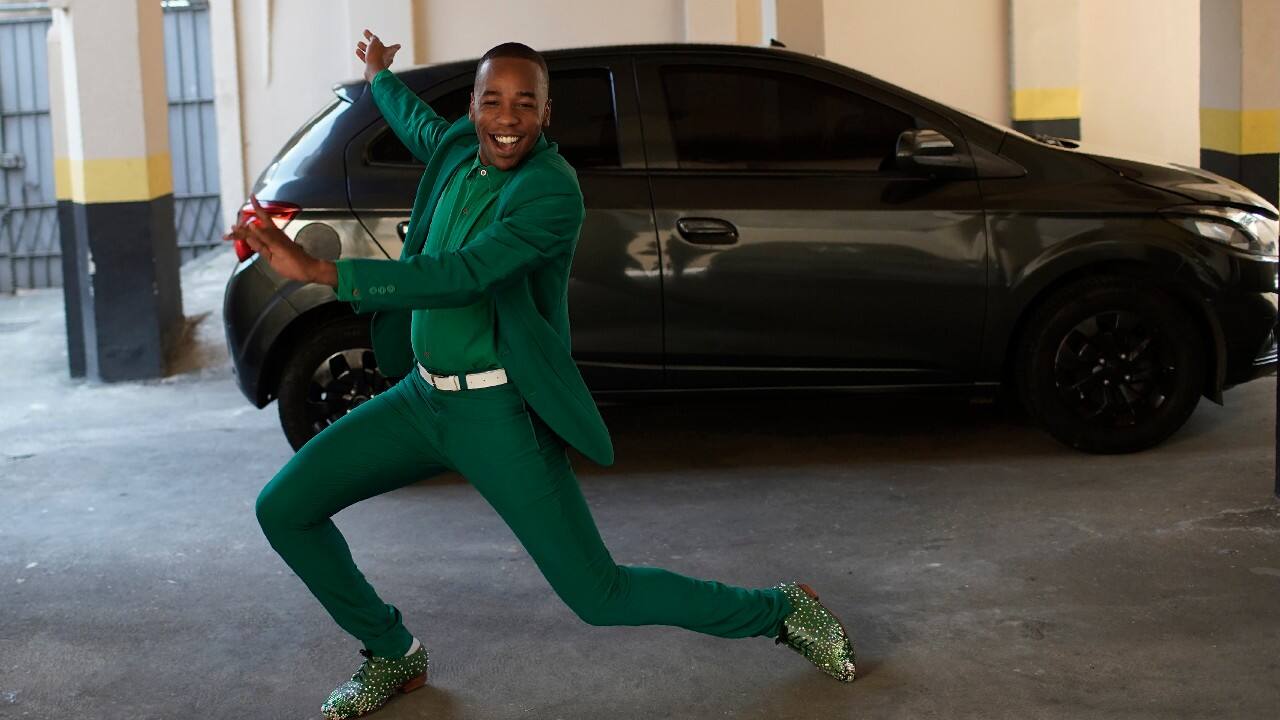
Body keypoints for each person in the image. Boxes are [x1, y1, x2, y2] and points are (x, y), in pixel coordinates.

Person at [226, 30, 856, 720]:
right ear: (473, 107)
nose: (506, 117)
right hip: (419, 400)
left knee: (599, 596)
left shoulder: (550, 192)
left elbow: (464, 275)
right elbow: (419, 124)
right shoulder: (460, 147)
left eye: (525, 103)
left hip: (497, 416)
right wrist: (379, 76)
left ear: (546, 114)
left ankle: (779, 609)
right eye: (491, 101)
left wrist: (324, 272)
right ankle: (391, 650)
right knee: (283, 509)